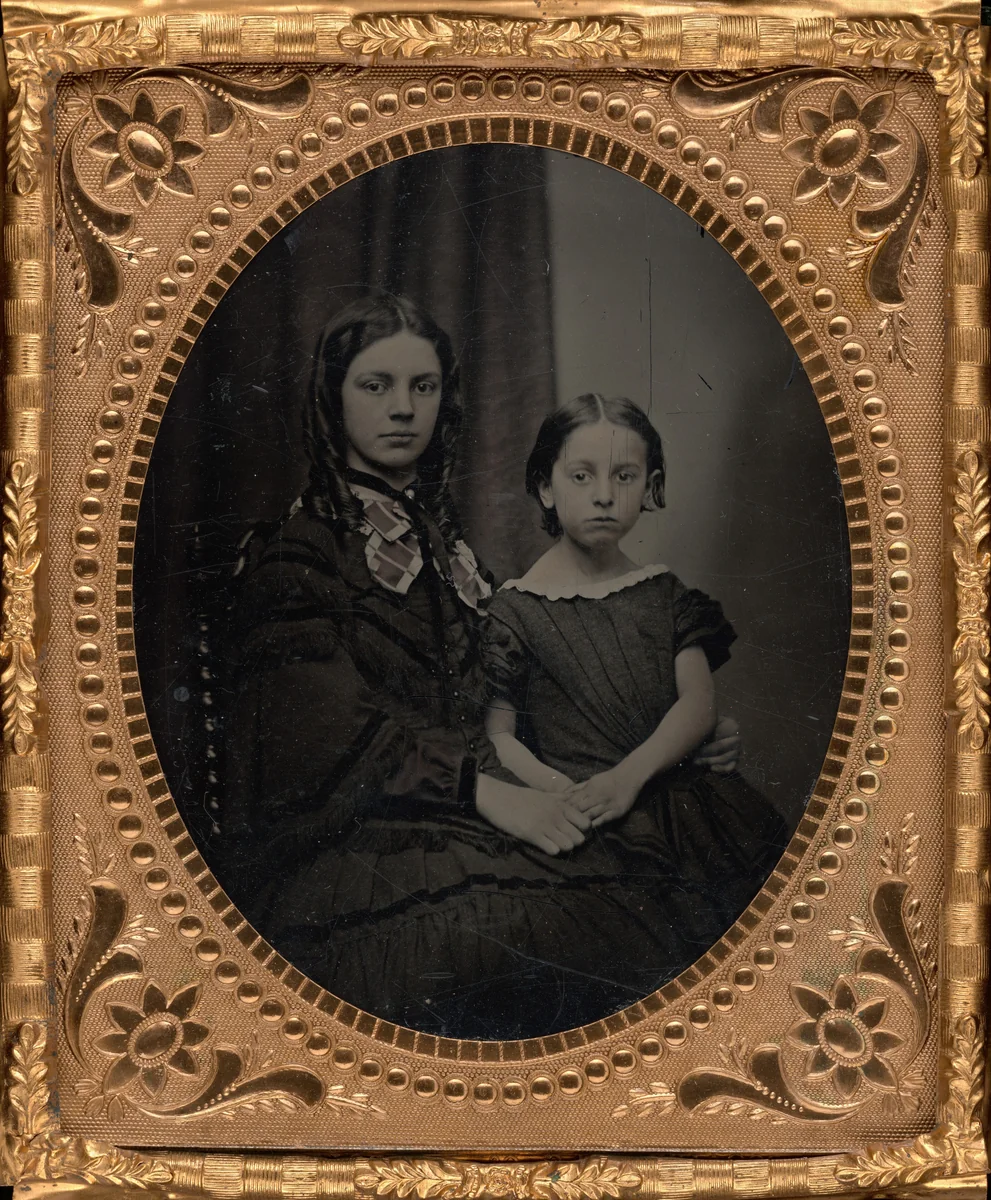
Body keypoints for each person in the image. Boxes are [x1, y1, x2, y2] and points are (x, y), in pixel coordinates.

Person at [222, 294, 749, 1040]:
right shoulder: (302, 552)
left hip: (476, 814)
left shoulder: (450, 554)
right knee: (518, 932)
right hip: (357, 846)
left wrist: (683, 733)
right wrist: (486, 795)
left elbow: (516, 697)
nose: (403, 409)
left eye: (423, 387)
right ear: (332, 397)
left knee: (676, 879)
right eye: (376, 386)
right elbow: (326, 730)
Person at [483, 393, 788, 942]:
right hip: (580, 814)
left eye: (624, 476)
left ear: (649, 488)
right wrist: (560, 793)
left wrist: (627, 779)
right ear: (546, 488)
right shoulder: (514, 612)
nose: (604, 495)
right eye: (581, 476)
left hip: (683, 807)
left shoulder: (664, 594)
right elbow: (499, 737)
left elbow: (698, 704)